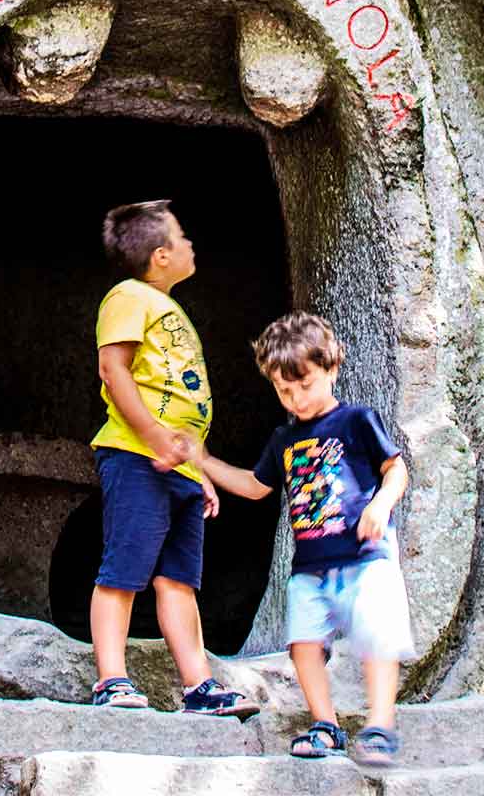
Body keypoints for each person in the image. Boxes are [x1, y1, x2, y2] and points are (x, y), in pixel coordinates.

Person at [192, 311, 414, 766]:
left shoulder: (357, 421)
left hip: (365, 556)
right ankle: (325, 725)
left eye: (305, 385)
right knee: (303, 644)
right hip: (309, 565)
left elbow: (397, 470)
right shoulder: (283, 439)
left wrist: (380, 505)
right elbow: (255, 487)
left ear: (331, 368)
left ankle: (380, 726)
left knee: (376, 636)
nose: (296, 400)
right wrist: (203, 461)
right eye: (284, 391)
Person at [85, 199, 258, 717]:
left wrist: (196, 468)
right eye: (182, 238)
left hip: (176, 467)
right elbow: (114, 372)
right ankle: (111, 680)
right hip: (136, 457)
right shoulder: (127, 297)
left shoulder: (168, 306)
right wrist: (155, 437)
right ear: (161, 255)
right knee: (123, 570)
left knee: (179, 580)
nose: (190, 245)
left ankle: (198, 686)